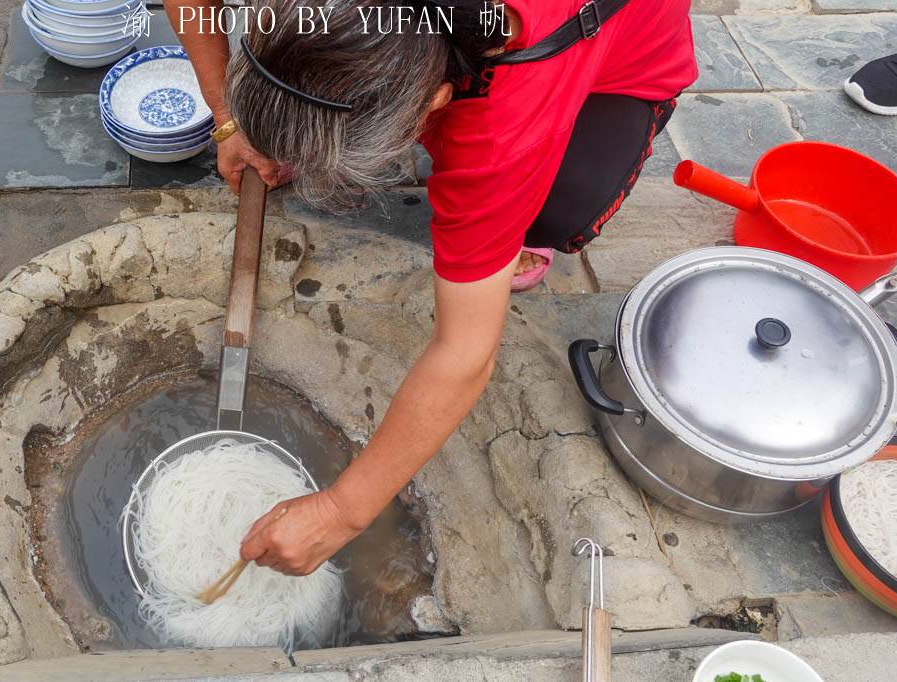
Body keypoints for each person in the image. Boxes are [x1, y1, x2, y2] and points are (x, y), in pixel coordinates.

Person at [164, 0, 696, 576]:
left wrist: (341, 511)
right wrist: (229, 116)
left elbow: (465, 352)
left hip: (619, 47)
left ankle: (516, 225)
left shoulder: (502, 131)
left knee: (552, 203)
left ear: (436, 101)